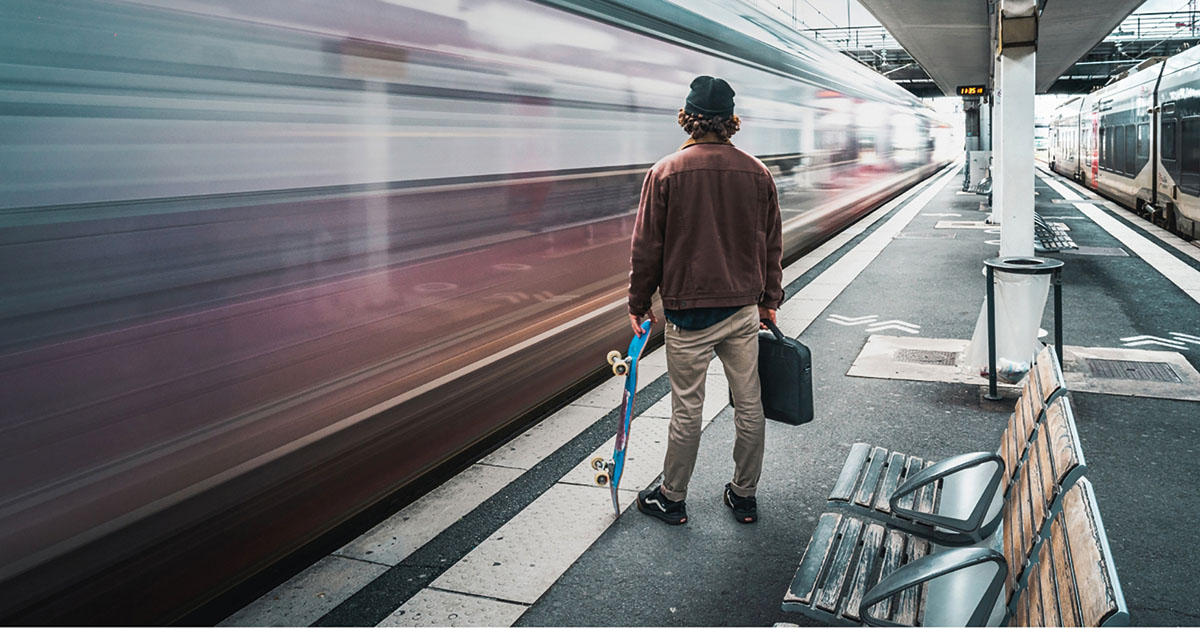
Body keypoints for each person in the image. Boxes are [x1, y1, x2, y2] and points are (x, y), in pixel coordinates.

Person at [626, 75, 783, 525]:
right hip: (741, 311)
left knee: (687, 410)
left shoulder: (665, 172)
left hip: (688, 314)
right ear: (731, 122)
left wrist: (639, 302)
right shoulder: (758, 172)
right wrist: (769, 300)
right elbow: (771, 244)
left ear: (687, 119)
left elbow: (646, 247)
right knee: (749, 404)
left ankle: (672, 498)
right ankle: (744, 496)